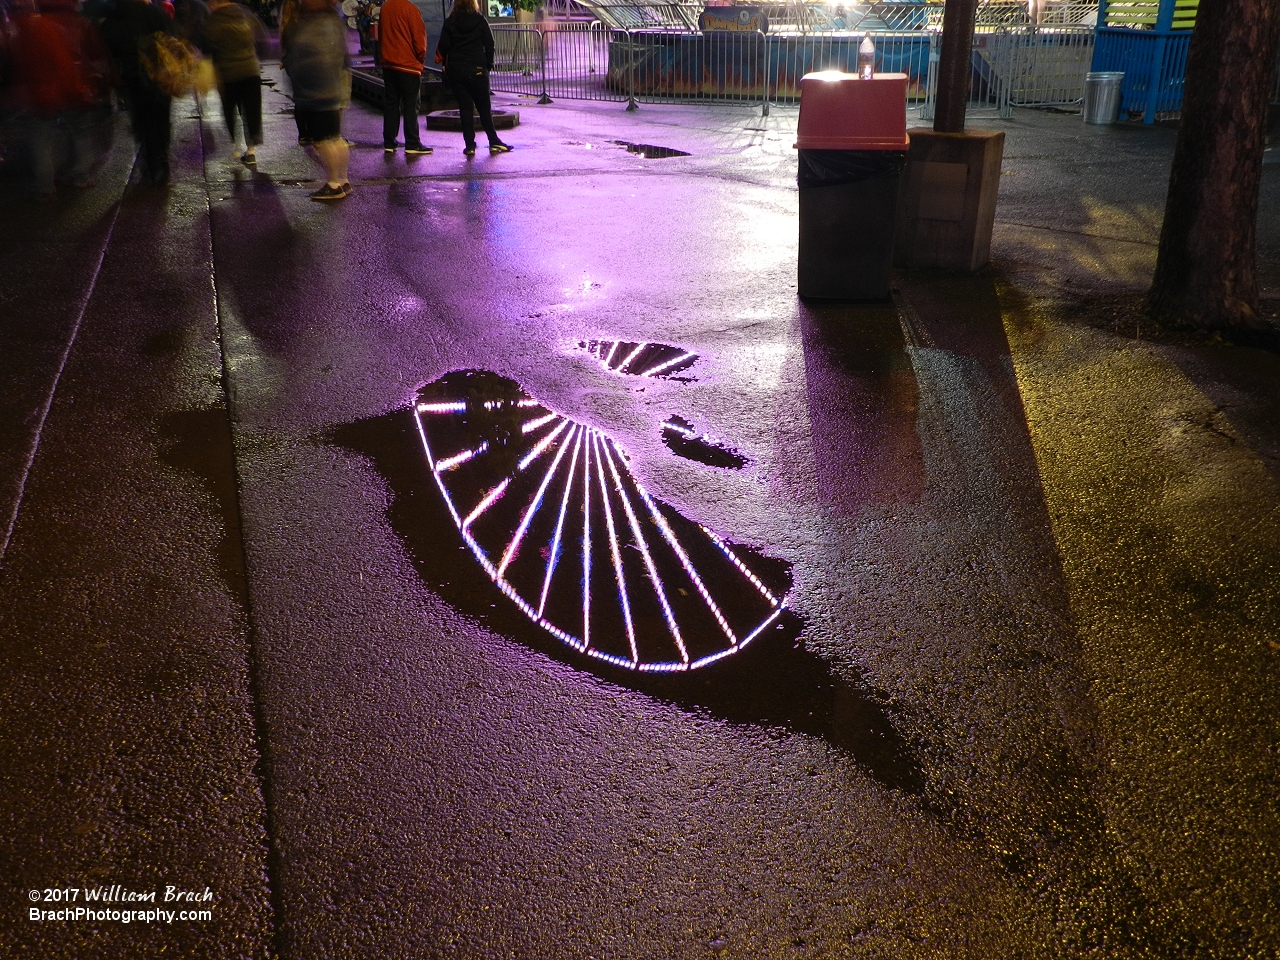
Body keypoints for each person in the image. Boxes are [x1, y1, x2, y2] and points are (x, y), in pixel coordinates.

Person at [7, 0, 110, 195]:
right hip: (72, 88)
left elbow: (17, 58)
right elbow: (94, 55)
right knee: (80, 133)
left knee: (41, 138)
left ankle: (45, 186)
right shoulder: (78, 23)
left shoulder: (28, 25)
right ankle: (80, 176)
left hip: (37, 92)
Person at [100, 0, 176, 184]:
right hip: (158, 75)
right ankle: (162, 155)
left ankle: (148, 161)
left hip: (131, 77)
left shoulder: (114, 17)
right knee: (161, 116)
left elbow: (107, 47)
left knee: (141, 118)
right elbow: (171, 38)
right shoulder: (155, 14)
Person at [282, 0, 350, 200]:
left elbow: (302, 55)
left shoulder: (305, 23)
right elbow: (342, 55)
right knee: (335, 138)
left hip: (315, 91)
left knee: (324, 140)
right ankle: (343, 180)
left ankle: (333, 183)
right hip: (332, 87)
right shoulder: (333, 18)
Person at [434, 0, 510, 157]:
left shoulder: (450, 22)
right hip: (477, 70)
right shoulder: (479, 19)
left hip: (457, 71)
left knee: (465, 109)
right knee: (484, 108)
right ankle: (493, 140)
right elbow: (490, 43)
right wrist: (488, 64)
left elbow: (443, 45)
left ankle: (469, 145)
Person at [201, 0, 265, 163]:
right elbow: (262, 38)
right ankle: (251, 151)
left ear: (214, 4)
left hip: (227, 73)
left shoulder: (213, 20)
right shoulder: (245, 14)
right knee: (252, 110)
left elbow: (206, 46)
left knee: (230, 110)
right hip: (251, 69)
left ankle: (237, 146)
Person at [378, 0, 428, 155]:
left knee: (391, 102)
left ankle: (389, 141)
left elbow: (380, 33)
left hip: (389, 64)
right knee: (411, 104)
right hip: (408, 64)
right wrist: (421, 57)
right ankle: (412, 142)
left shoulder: (385, 8)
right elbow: (419, 39)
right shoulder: (411, 9)